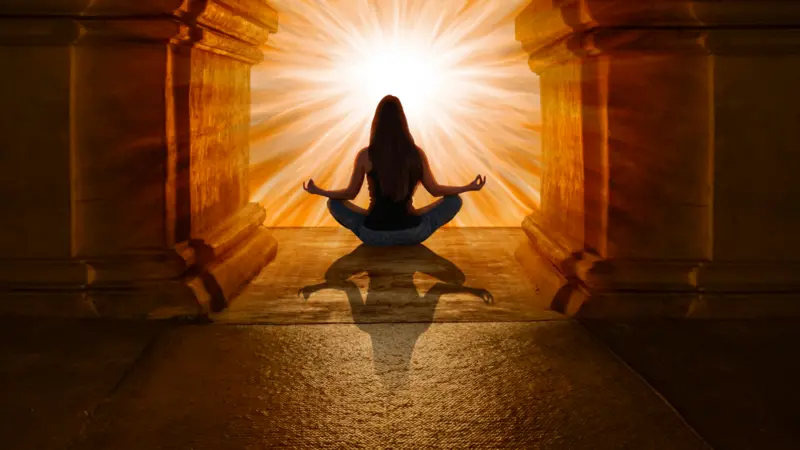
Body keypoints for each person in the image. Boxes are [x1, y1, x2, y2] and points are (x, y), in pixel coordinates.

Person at [302, 95, 486, 246]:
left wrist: (319, 191)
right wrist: (467, 187)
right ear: (403, 122)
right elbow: (435, 189)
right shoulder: (416, 154)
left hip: (373, 235)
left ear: (376, 123)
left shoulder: (366, 155)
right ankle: (411, 217)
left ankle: (373, 219)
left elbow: (350, 194)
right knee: (454, 201)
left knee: (333, 203)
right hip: (413, 234)